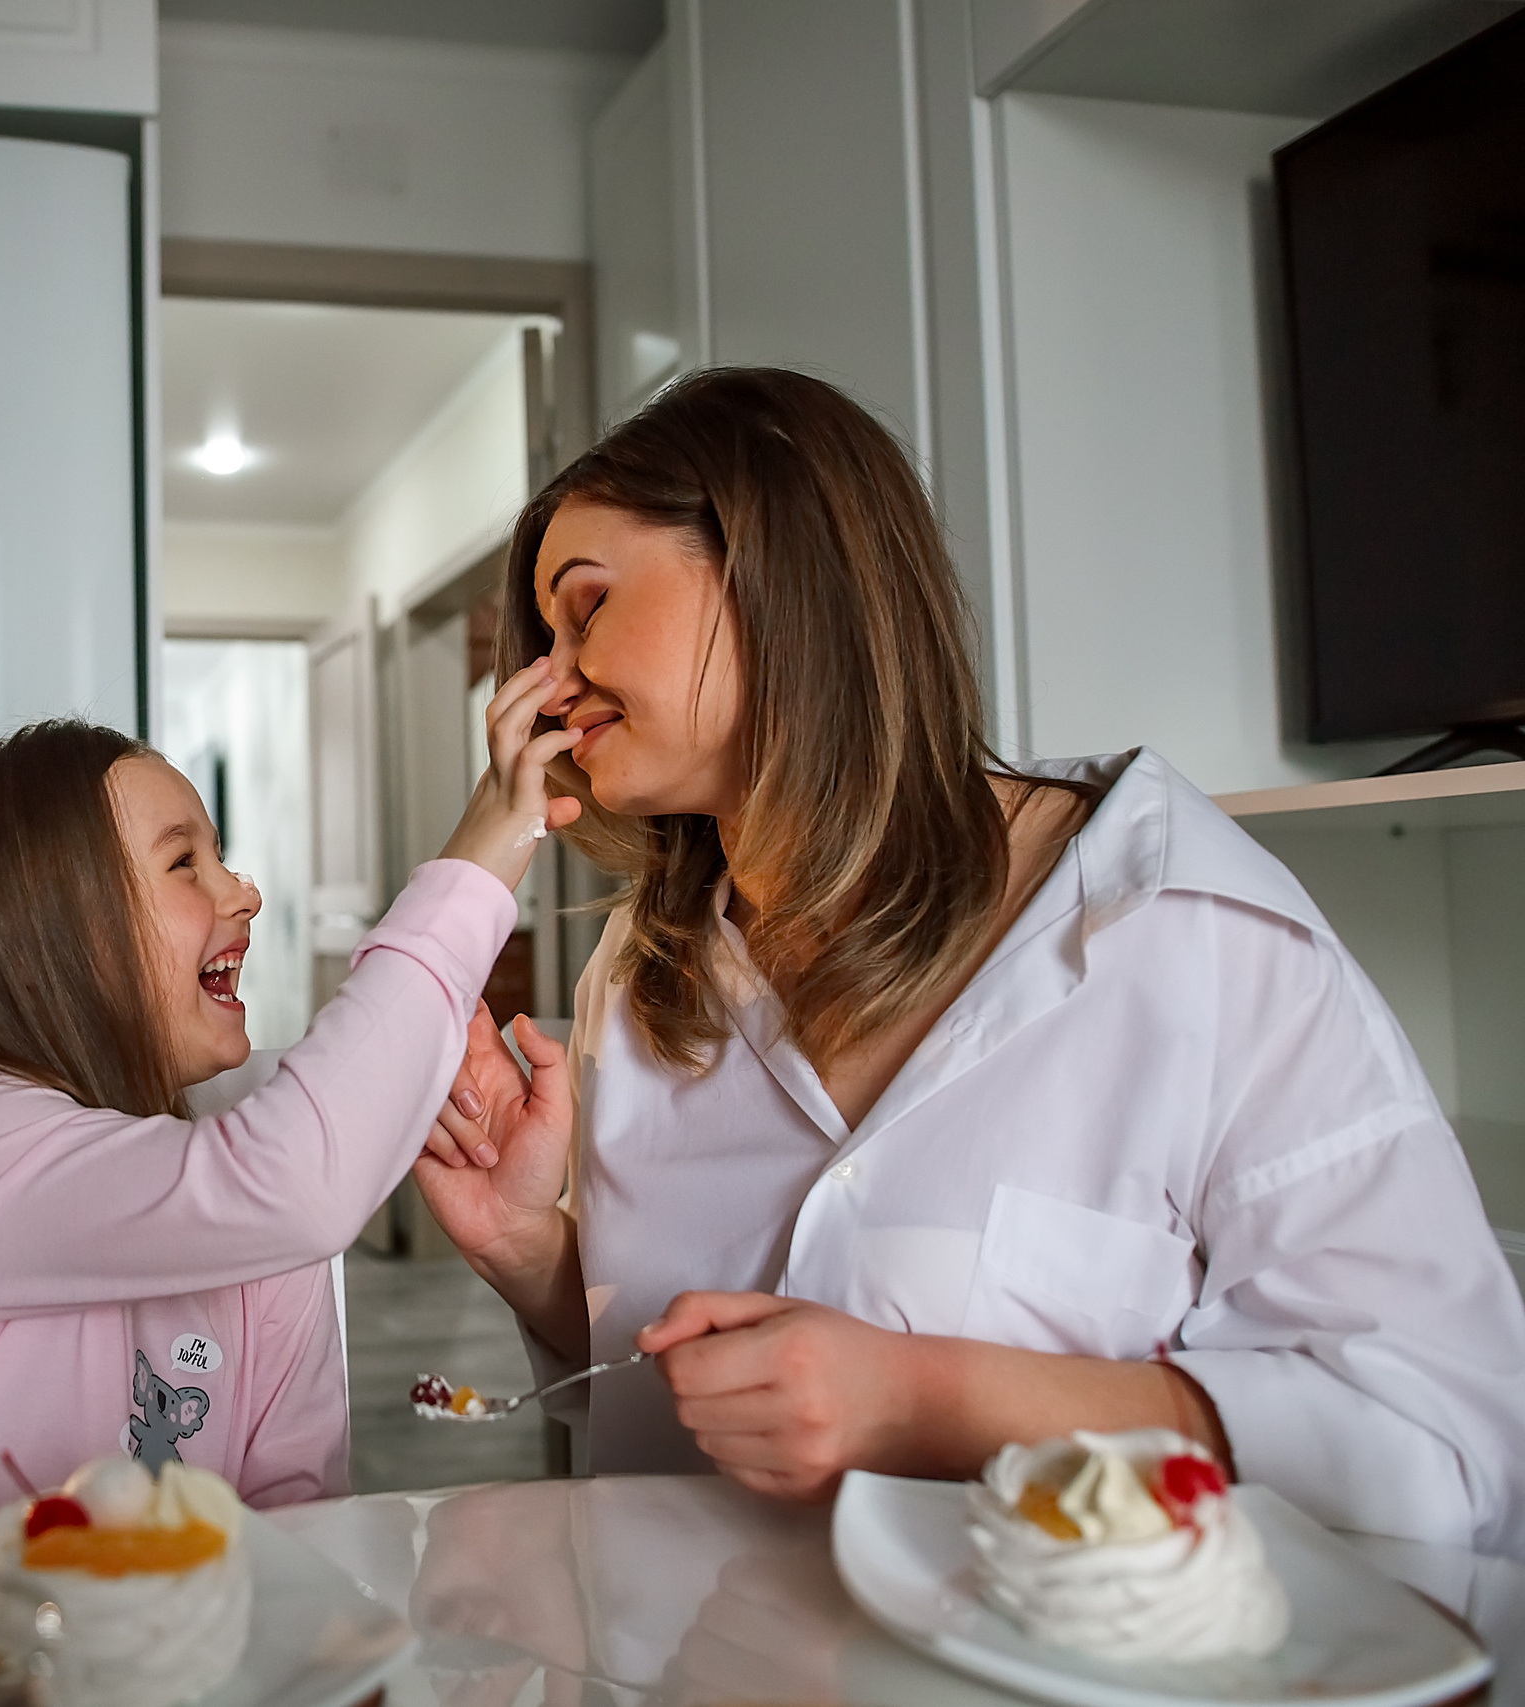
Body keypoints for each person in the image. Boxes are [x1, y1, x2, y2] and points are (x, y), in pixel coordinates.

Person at [415, 366, 1525, 1556]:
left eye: (585, 608)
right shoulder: (634, 982)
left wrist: (928, 1400)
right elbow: (665, 1412)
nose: (545, 683)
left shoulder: (1187, 932)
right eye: (543, 637)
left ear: (778, 571)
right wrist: (535, 1254)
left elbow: (1447, 1442)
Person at [0, 708, 575, 1613]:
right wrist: (477, 862)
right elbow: (291, 1180)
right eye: (185, 862)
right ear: (45, 938)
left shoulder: (249, 1191)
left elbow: (292, 1526)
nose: (245, 893)